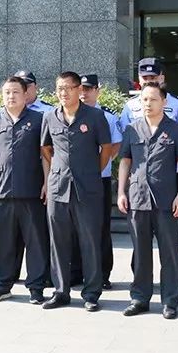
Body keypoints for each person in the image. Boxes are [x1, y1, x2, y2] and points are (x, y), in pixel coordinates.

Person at [116, 83, 178, 319]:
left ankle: (170, 301)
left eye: (153, 100)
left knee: (169, 252)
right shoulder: (132, 129)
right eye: (144, 100)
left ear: (164, 102)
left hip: (166, 199)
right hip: (138, 198)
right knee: (140, 251)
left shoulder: (176, 130)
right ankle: (139, 297)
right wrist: (121, 192)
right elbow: (125, 162)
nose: (148, 104)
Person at [40, 72, 112, 311]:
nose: (63, 93)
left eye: (68, 88)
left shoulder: (95, 116)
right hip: (58, 188)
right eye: (59, 88)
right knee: (58, 241)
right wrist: (58, 172)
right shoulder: (50, 117)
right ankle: (61, 291)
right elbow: (46, 149)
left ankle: (91, 293)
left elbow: (107, 148)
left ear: (79, 89)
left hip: (87, 188)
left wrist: (91, 170)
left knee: (90, 240)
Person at [0, 76, 51, 304]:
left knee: (36, 241)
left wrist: (47, 182)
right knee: (3, 241)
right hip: (2, 191)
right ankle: (2, 285)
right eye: (7, 92)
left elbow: (46, 154)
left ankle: (36, 287)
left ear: (26, 95)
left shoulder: (39, 120)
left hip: (32, 191)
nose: (11, 96)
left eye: (15, 92)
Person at [70, 74, 121, 290]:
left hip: (99, 179)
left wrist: (97, 169)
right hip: (74, 181)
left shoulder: (106, 116)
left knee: (100, 228)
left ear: (97, 90)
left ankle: (103, 273)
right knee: (75, 228)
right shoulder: (69, 113)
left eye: (89, 89)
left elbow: (115, 145)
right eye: (81, 89)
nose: (84, 93)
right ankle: (77, 271)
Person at [118, 57, 178, 135]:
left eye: (153, 78)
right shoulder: (130, 105)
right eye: (145, 78)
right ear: (139, 79)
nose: (149, 82)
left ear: (162, 78)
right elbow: (124, 136)